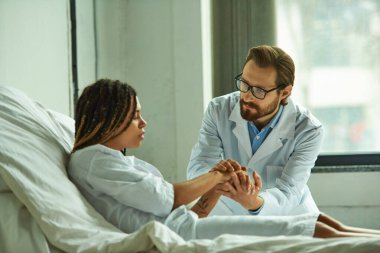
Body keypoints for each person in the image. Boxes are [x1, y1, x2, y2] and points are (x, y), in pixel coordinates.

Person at [68, 79, 380, 240]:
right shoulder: (91, 160)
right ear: (108, 118)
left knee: (316, 221)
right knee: (310, 231)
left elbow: (186, 214)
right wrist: (216, 175)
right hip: (181, 237)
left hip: (185, 227)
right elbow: (166, 199)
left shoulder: (115, 163)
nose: (143, 122)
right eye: (134, 116)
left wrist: (214, 191)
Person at [187, 45, 323, 216]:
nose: (247, 96)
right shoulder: (218, 109)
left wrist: (253, 202)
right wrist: (217, 177)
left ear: (284, 92)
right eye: (244, 83)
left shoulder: (309, 130)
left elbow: (289, 190)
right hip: (227, 209)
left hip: (287, 215)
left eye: (259, 90)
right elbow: (200, 164)